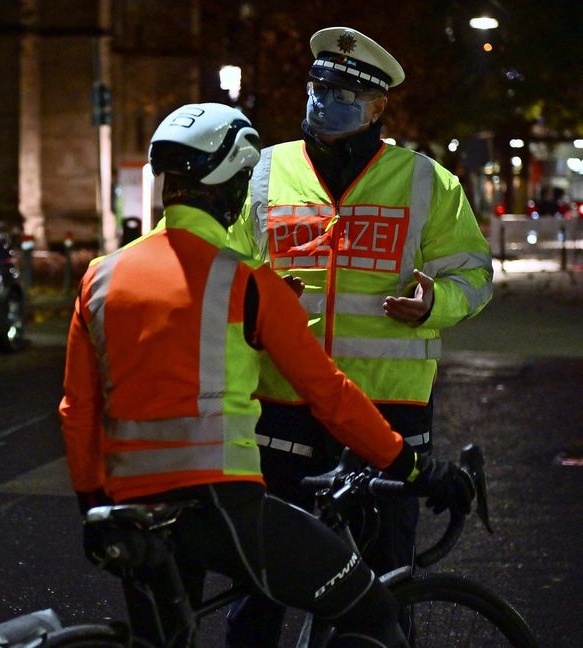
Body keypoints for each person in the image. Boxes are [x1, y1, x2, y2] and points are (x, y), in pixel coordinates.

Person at [59, 102, 474, 648]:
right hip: (220, 506)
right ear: (232, 187)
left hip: (128, 509)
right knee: (375, 609)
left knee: (165, 641)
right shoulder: (247, 283)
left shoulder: (101, 276)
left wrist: (93, 506)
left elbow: (77, 410)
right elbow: (329, 395)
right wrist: (412, 466)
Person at [225, 26, 493, 645]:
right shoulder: (263, 173)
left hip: (386, 412)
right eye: (318, 87)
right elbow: (223, 265)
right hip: (282, 406)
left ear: (377, 108)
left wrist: (435, 303)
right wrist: (254, 297)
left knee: (382, 588)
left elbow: (474, 275)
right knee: (261, 584)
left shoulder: (426, 182)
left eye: (343, 93)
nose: (325, 100)